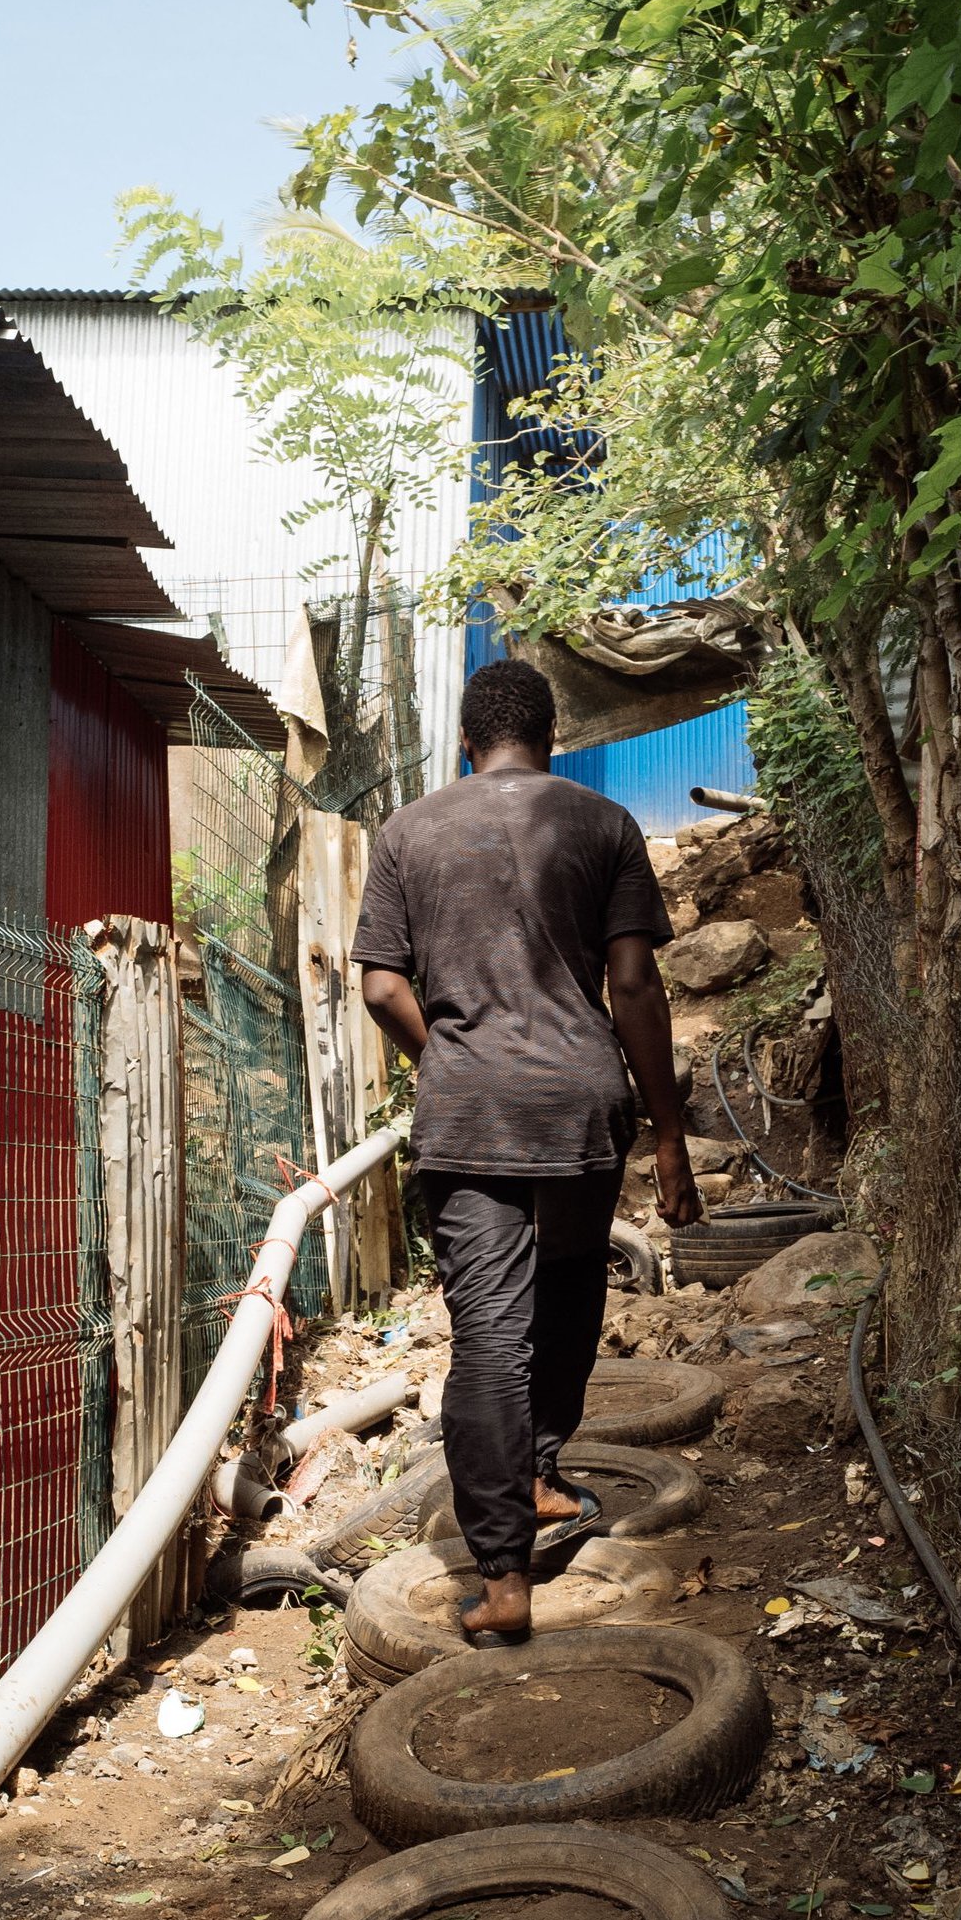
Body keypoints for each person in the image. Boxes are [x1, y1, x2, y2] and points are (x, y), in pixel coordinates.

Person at [352, 657, 701, 1646]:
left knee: (490, 1333)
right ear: (553, 737)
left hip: (470, 1113)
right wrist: (672, 1141)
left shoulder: (409, 832)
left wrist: (456, 1060)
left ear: (467, 741)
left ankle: (502, 1577)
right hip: (580, 1104)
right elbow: (634, 987)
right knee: (574, 1288)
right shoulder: (604, 826)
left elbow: (381, 989)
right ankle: (542, 1472)